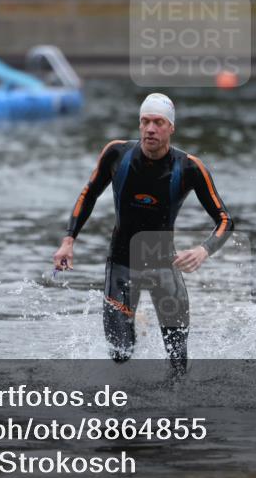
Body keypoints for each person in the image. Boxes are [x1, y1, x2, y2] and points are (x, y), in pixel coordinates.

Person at [52, 93, 234, 377]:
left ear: (171, 127)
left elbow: (225, 220)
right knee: (121, 353)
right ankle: (136, 324)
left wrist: (203, 249)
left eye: (158, 122)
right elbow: (88, 194)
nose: (150, 128)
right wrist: (68, 240)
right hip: (122, 264)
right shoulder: (117, 154)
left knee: (178, 363)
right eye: (145, 121)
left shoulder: (189, 167)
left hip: (164, 267)